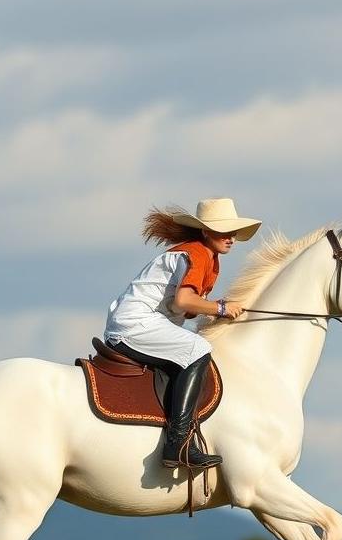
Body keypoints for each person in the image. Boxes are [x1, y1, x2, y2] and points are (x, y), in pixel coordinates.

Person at [104, 198, 261, 469]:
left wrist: (212, 307)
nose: (231, 238)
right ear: (205, 232)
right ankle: (178, 444)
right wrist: (221, 308)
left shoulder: (208, 257)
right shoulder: (197, 253)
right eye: (224, 231)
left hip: (145, 322)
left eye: (233, 232)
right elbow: (184, 301)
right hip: (136, 323)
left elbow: (184, 309)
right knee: (199, 349)